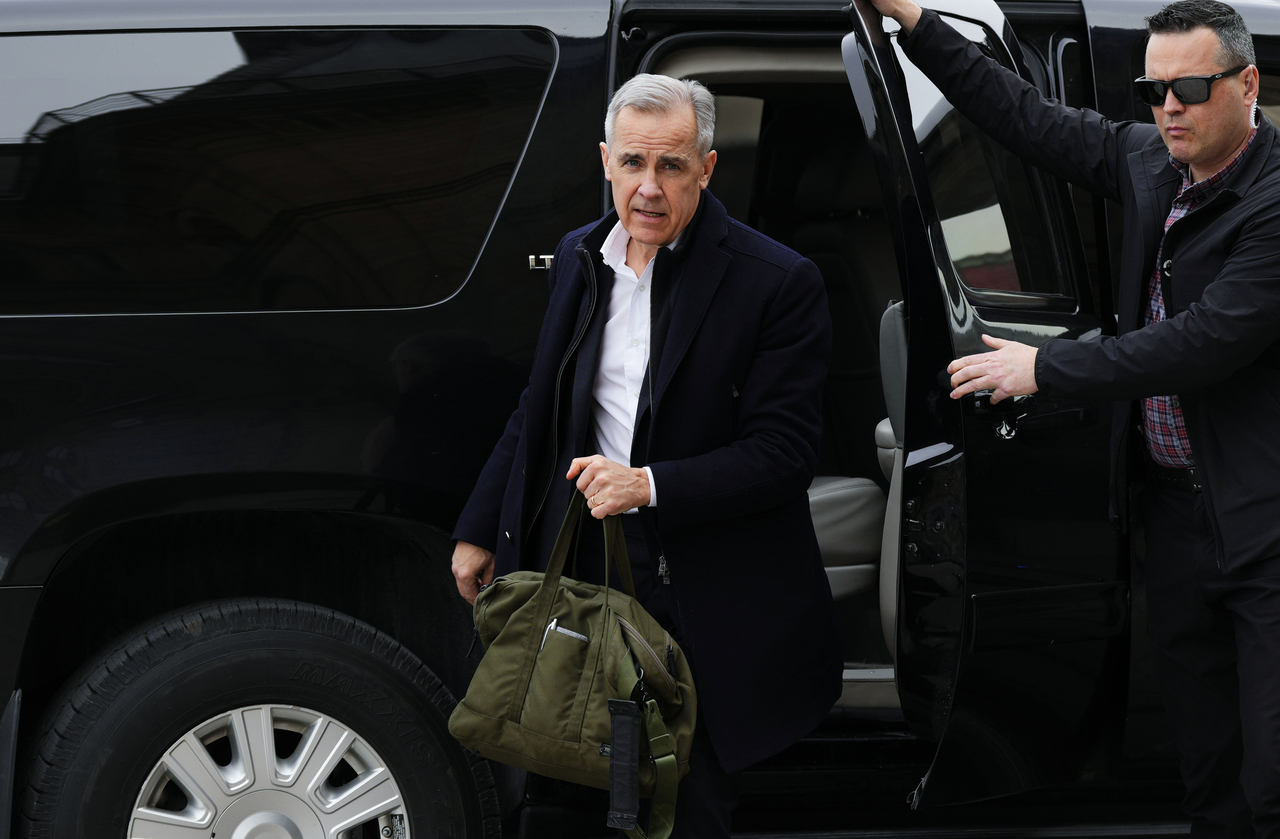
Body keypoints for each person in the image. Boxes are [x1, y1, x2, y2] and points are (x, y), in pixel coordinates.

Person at [869, 0, 1280, 834]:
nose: (1168, 108)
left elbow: (1199, 343)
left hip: (1266, 523)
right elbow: (1024, 116)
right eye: (1153, 90)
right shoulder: (1150, 160)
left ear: (1247, 84)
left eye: (1189, 89)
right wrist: (912, 18)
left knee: (1274, 770)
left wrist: (1043, 367)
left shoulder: (1273, 205)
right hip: (1176, 519)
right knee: (1208, 768)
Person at [449, 73, 843, 837]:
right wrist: (479, 525)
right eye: (633, 162)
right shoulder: (579, 254)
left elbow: (785, 453)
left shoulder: (776, 281)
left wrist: (649, 485)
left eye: (671, 165)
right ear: (606, 161)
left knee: (685, 801)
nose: (650, 188)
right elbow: (540, 403)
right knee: (567, 780)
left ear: (707, 168)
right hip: (581, 565)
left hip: (697, 580)